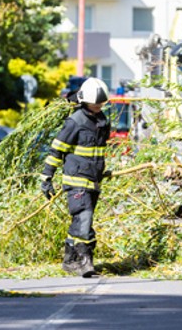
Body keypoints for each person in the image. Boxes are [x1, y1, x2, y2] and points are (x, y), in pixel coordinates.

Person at [41, 77, 111, 277]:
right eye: (95, 103)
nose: (98, 106)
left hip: (93, 180)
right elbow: (56, 150)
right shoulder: (75, 122)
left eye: (101, 103)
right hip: (76, 180)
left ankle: (69, 260)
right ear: (84, 100)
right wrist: (46, 177)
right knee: (84, 217)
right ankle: (85, 262)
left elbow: (98, 151)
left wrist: (102, 169)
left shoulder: (102, 121)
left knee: (79, 221)